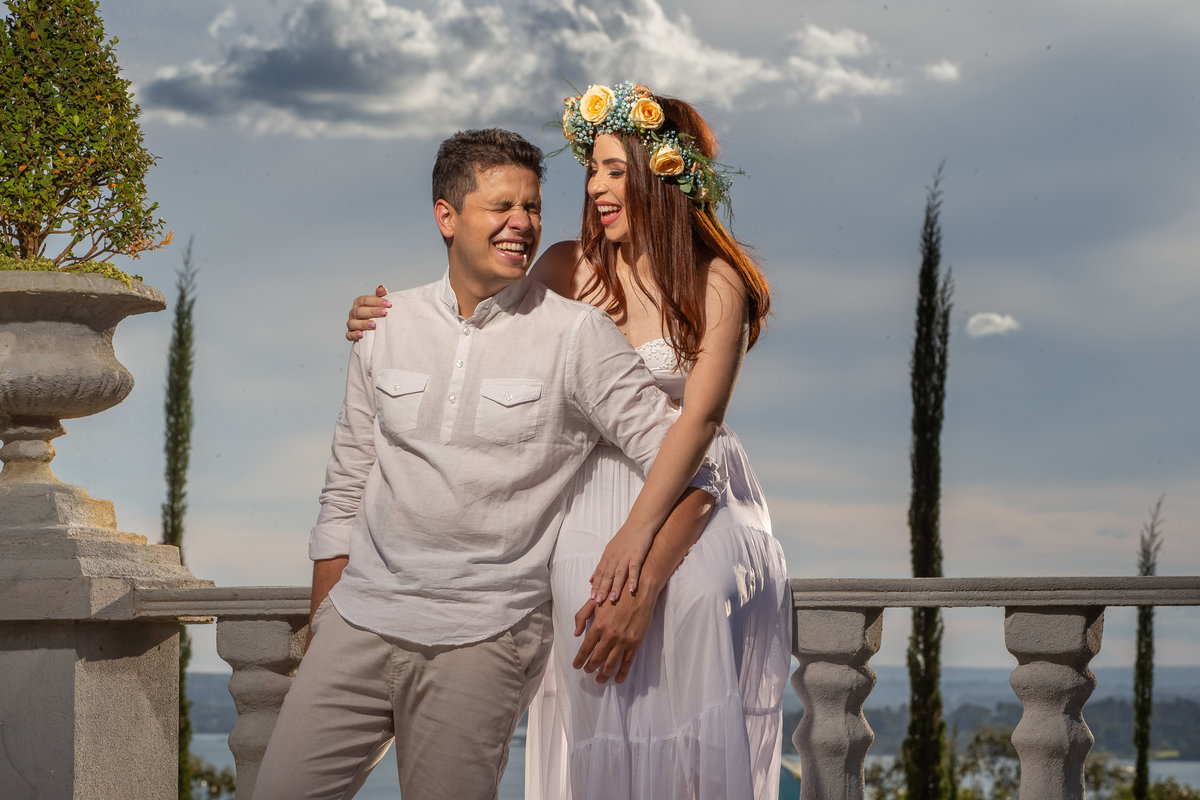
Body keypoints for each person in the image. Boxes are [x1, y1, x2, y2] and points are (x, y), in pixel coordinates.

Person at [344, 83, 792, 800]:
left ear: (663, 172)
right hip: (587, 481)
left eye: (616, 169)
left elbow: (698, 426)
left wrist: (636, 550)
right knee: (590, 647)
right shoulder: (564, 267)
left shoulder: (717, 284)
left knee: (701, 601)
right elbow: (470, 317)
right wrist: (380, 318)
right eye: (594, 168)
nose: (597, 185)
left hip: (690, 483)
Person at [255, 127, 727, 800]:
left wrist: (641, 585)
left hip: (485, 640)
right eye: (502, 207)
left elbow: (691, 473)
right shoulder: (386, 326)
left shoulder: (577, 335)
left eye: (532, 208)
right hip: (357, 627)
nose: (523, 225)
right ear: (447, 216)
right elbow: (344, 491)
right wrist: (322, 626)